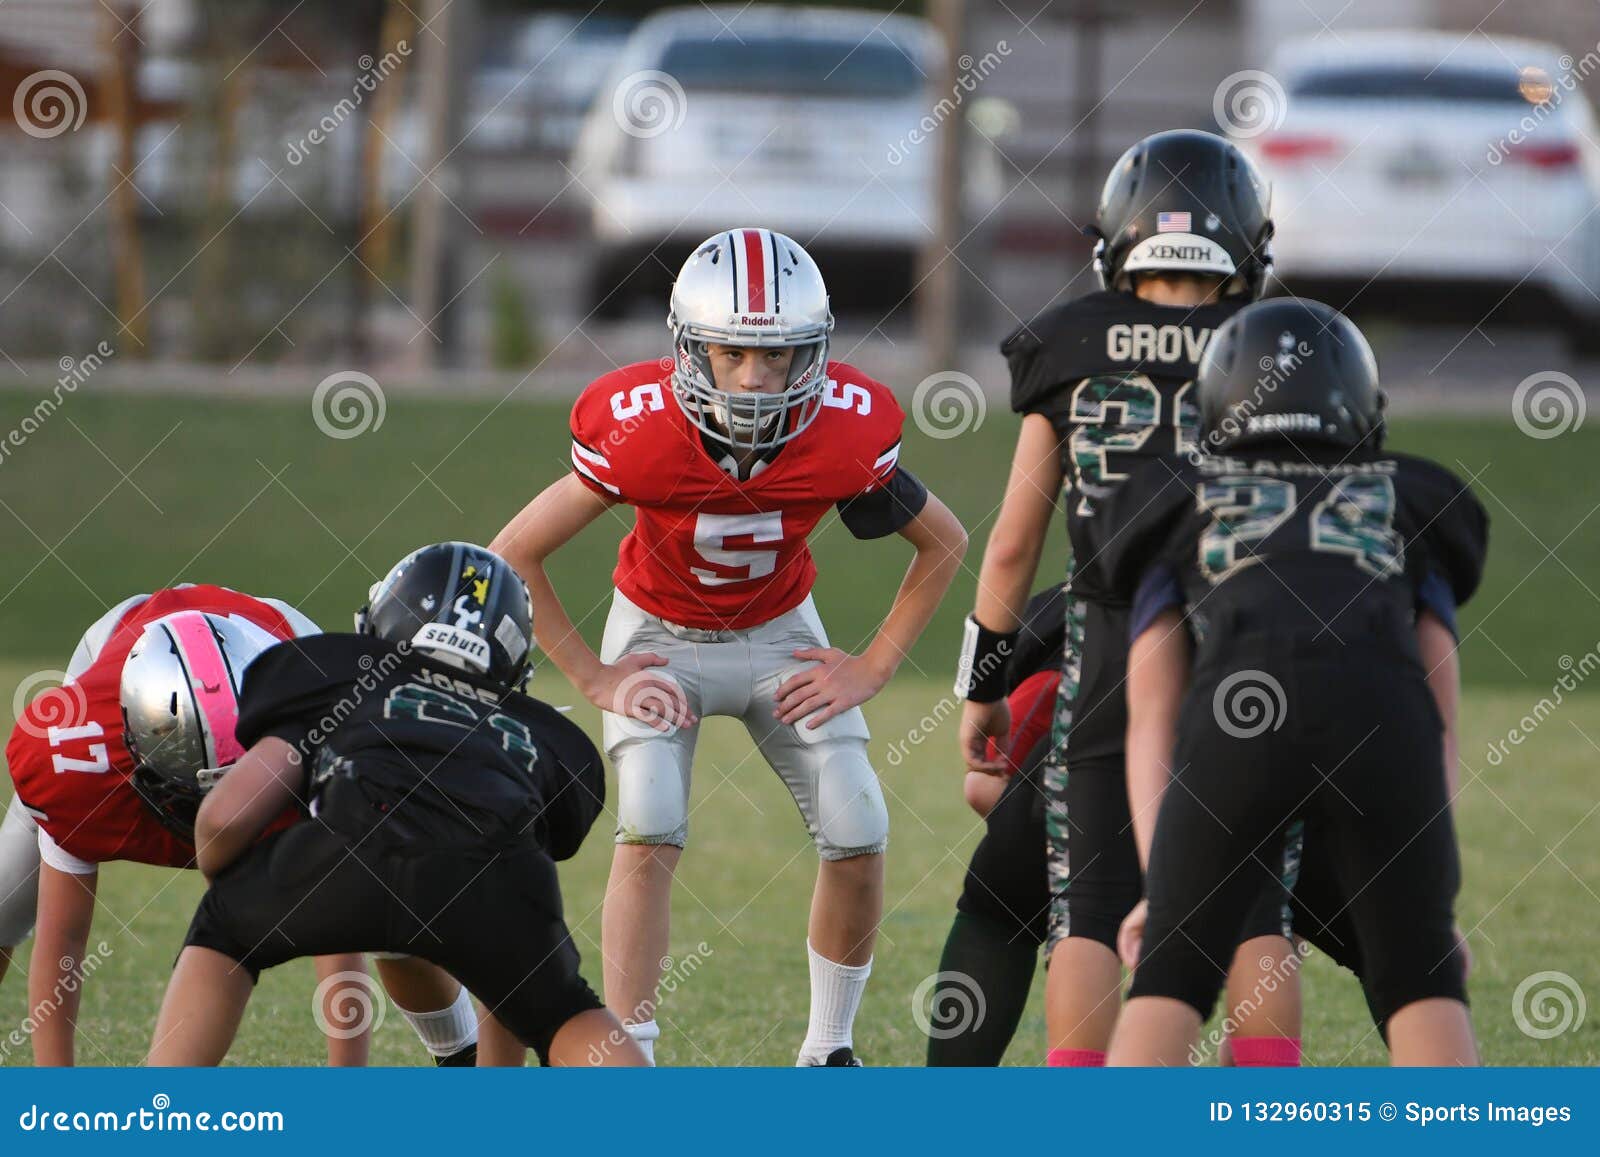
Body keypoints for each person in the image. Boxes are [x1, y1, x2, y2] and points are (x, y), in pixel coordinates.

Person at [491, 228, 968, 1065]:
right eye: (732, 353)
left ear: (812, 353)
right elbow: (512, 553)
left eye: (778, 357)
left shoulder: (845, 432)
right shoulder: (640, 430)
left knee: (859, 823)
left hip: (782, 633)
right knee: (651, 822)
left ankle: (829, 1050)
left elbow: (946, 542)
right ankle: (631, 1054)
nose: (755, 378)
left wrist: (876, 662)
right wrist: (594, 674)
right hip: (659, 636)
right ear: (689, 349)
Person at [954, 130, 1300, 1065]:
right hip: (1250, 643)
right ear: (1246, 247)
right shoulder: (1287, 348)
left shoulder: (1067, 342)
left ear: (1115, 242)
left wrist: (981, 684)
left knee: (1093, 913)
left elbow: (1015, 544)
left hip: (1107, 644)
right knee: (1256, 904)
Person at [1072, 298, 1486, 1066]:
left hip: (1236, 716)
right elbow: (1437, 702)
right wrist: (1429, 888)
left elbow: (1152, 709)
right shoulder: (1410, 496)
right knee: (1421, 978)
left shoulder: (1174, 501)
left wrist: (1166, 891)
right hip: (1384, 716)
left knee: (1171, 972)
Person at [146, 544, 645, 1068]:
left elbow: (226, 815)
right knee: (563, 1010)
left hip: (355, 842)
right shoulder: (546, 732)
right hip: (492, 871)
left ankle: (162, 1115)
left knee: (222, 935)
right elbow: (519, 917)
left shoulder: (337, 670)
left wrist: (234, 897)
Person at [3, 583, 471, 1066]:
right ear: (134, 743)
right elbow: (66, 937)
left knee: (383, 917)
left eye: (235, 781)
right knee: (4, 900)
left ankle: (462, 1052)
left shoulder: (318, 729)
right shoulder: (80, 760)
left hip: (277, 659)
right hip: (123, 641)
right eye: (197, 787)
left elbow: (338, 926)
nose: (215, 810)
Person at [926, 585, 1063, 1066]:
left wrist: (979, 693)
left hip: (1113, 729)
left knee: (1013, 907)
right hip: (1273, 702)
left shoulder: (1068, 614)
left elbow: (1008, 549)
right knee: (1262, 919)